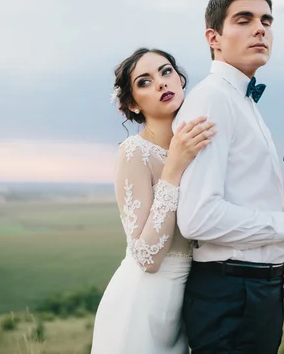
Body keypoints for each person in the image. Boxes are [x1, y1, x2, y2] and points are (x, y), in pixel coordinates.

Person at [172, 0, 284, 353]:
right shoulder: (212, 100)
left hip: (255, 289)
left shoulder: (243, 99)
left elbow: (247, 196)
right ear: (213, 37)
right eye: (244, 20)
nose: (260, 28)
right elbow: (198, 217)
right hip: (231, 294)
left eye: (266, 20)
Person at [90, 47, 217, 354]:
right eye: (144, 82)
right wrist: (172, 169)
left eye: (166, 71)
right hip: (141, 304)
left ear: (180, 80)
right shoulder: (134, 152)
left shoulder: (200, 142)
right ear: (133, 104)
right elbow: (147, 256)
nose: (161, 83)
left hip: (189, 303)